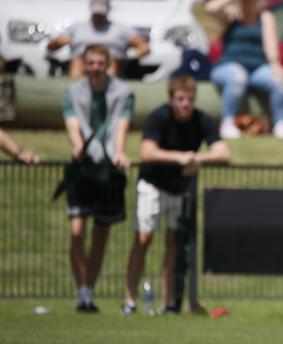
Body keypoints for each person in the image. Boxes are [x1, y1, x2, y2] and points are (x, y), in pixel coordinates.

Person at [121, 75, 230, 315]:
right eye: (180, 99)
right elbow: (147, 152)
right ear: (171, 99)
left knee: (172, 243)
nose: (185, 104)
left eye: (189, 99)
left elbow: (223, 152)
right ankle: (129, 299)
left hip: (179, 189)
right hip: (152, 185)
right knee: (143, 239)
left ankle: (168, 302)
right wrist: (179, 157)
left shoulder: (202, 119)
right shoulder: (158, 117)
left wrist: (197, 158)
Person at [63, 44, 133, 312]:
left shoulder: (123, 92)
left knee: (100, 234)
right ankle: (81, 288)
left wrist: (119, 152)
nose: (95, 68)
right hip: (83, 167)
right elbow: (72, 123)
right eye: (90, 62)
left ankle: (88, 293)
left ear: (108, 64)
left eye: (99, 63)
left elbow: (121, 124)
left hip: (107, 169)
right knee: (77, 231)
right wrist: (78, 145)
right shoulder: (73, 92)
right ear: (84, 63)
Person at [205, 0, 283, 139]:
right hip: (229, 66)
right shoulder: (231, 14)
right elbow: (210, 8)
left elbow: (271, 44)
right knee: (238, 76)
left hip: (257, 68)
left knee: (278, 79)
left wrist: (276, 65)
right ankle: (227, 123)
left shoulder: (265, 17)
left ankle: (280, 123)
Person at [47, 0, 150, 79]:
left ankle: (107, 94)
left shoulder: (120, 29)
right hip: (82, 59)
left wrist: (130, 57)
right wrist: (57, 42)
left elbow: (144, 47)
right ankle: (77, 93)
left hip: (111, 60)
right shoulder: (77, 27)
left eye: (100, 14)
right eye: (95, 14)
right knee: (77, 62)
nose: (98, 17)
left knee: (111, 62)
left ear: (107, 11)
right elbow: (50, 47)